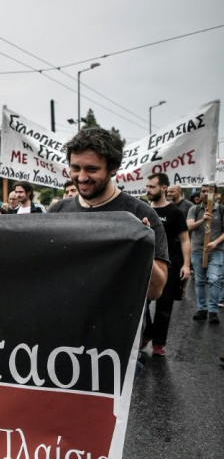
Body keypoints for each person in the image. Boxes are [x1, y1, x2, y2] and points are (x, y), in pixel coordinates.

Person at [48, 128, 169, 303]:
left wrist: (142, 248)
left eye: (91, 169)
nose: (81, 177)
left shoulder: (141, 214)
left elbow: (155, 292)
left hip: (117, 325)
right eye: (75, 168)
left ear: (113, 169)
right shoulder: (57, 212)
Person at [142, 173, 191, 356]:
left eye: (152, 187)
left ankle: (158, 343)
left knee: (164, 307)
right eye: (147, 186)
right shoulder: (144, 210)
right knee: (142, 304)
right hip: (146, 265)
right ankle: (146, 332)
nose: (148, 190)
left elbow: (185, 239)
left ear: (163, 188)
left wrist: (186, 265)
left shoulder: (175, 213)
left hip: (170, 265)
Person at [186, 183, 224, 324]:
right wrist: (203, 220)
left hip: (216, 250)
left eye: (208, 191)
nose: (204, 194)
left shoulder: (221, 210)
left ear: (215, 194)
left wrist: (215, 243)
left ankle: (213, 311)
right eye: (202, 191)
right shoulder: (194, 209)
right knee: (199, 281)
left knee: (214, 279)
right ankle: (202, 309)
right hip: (197, 250)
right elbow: (189, 226)